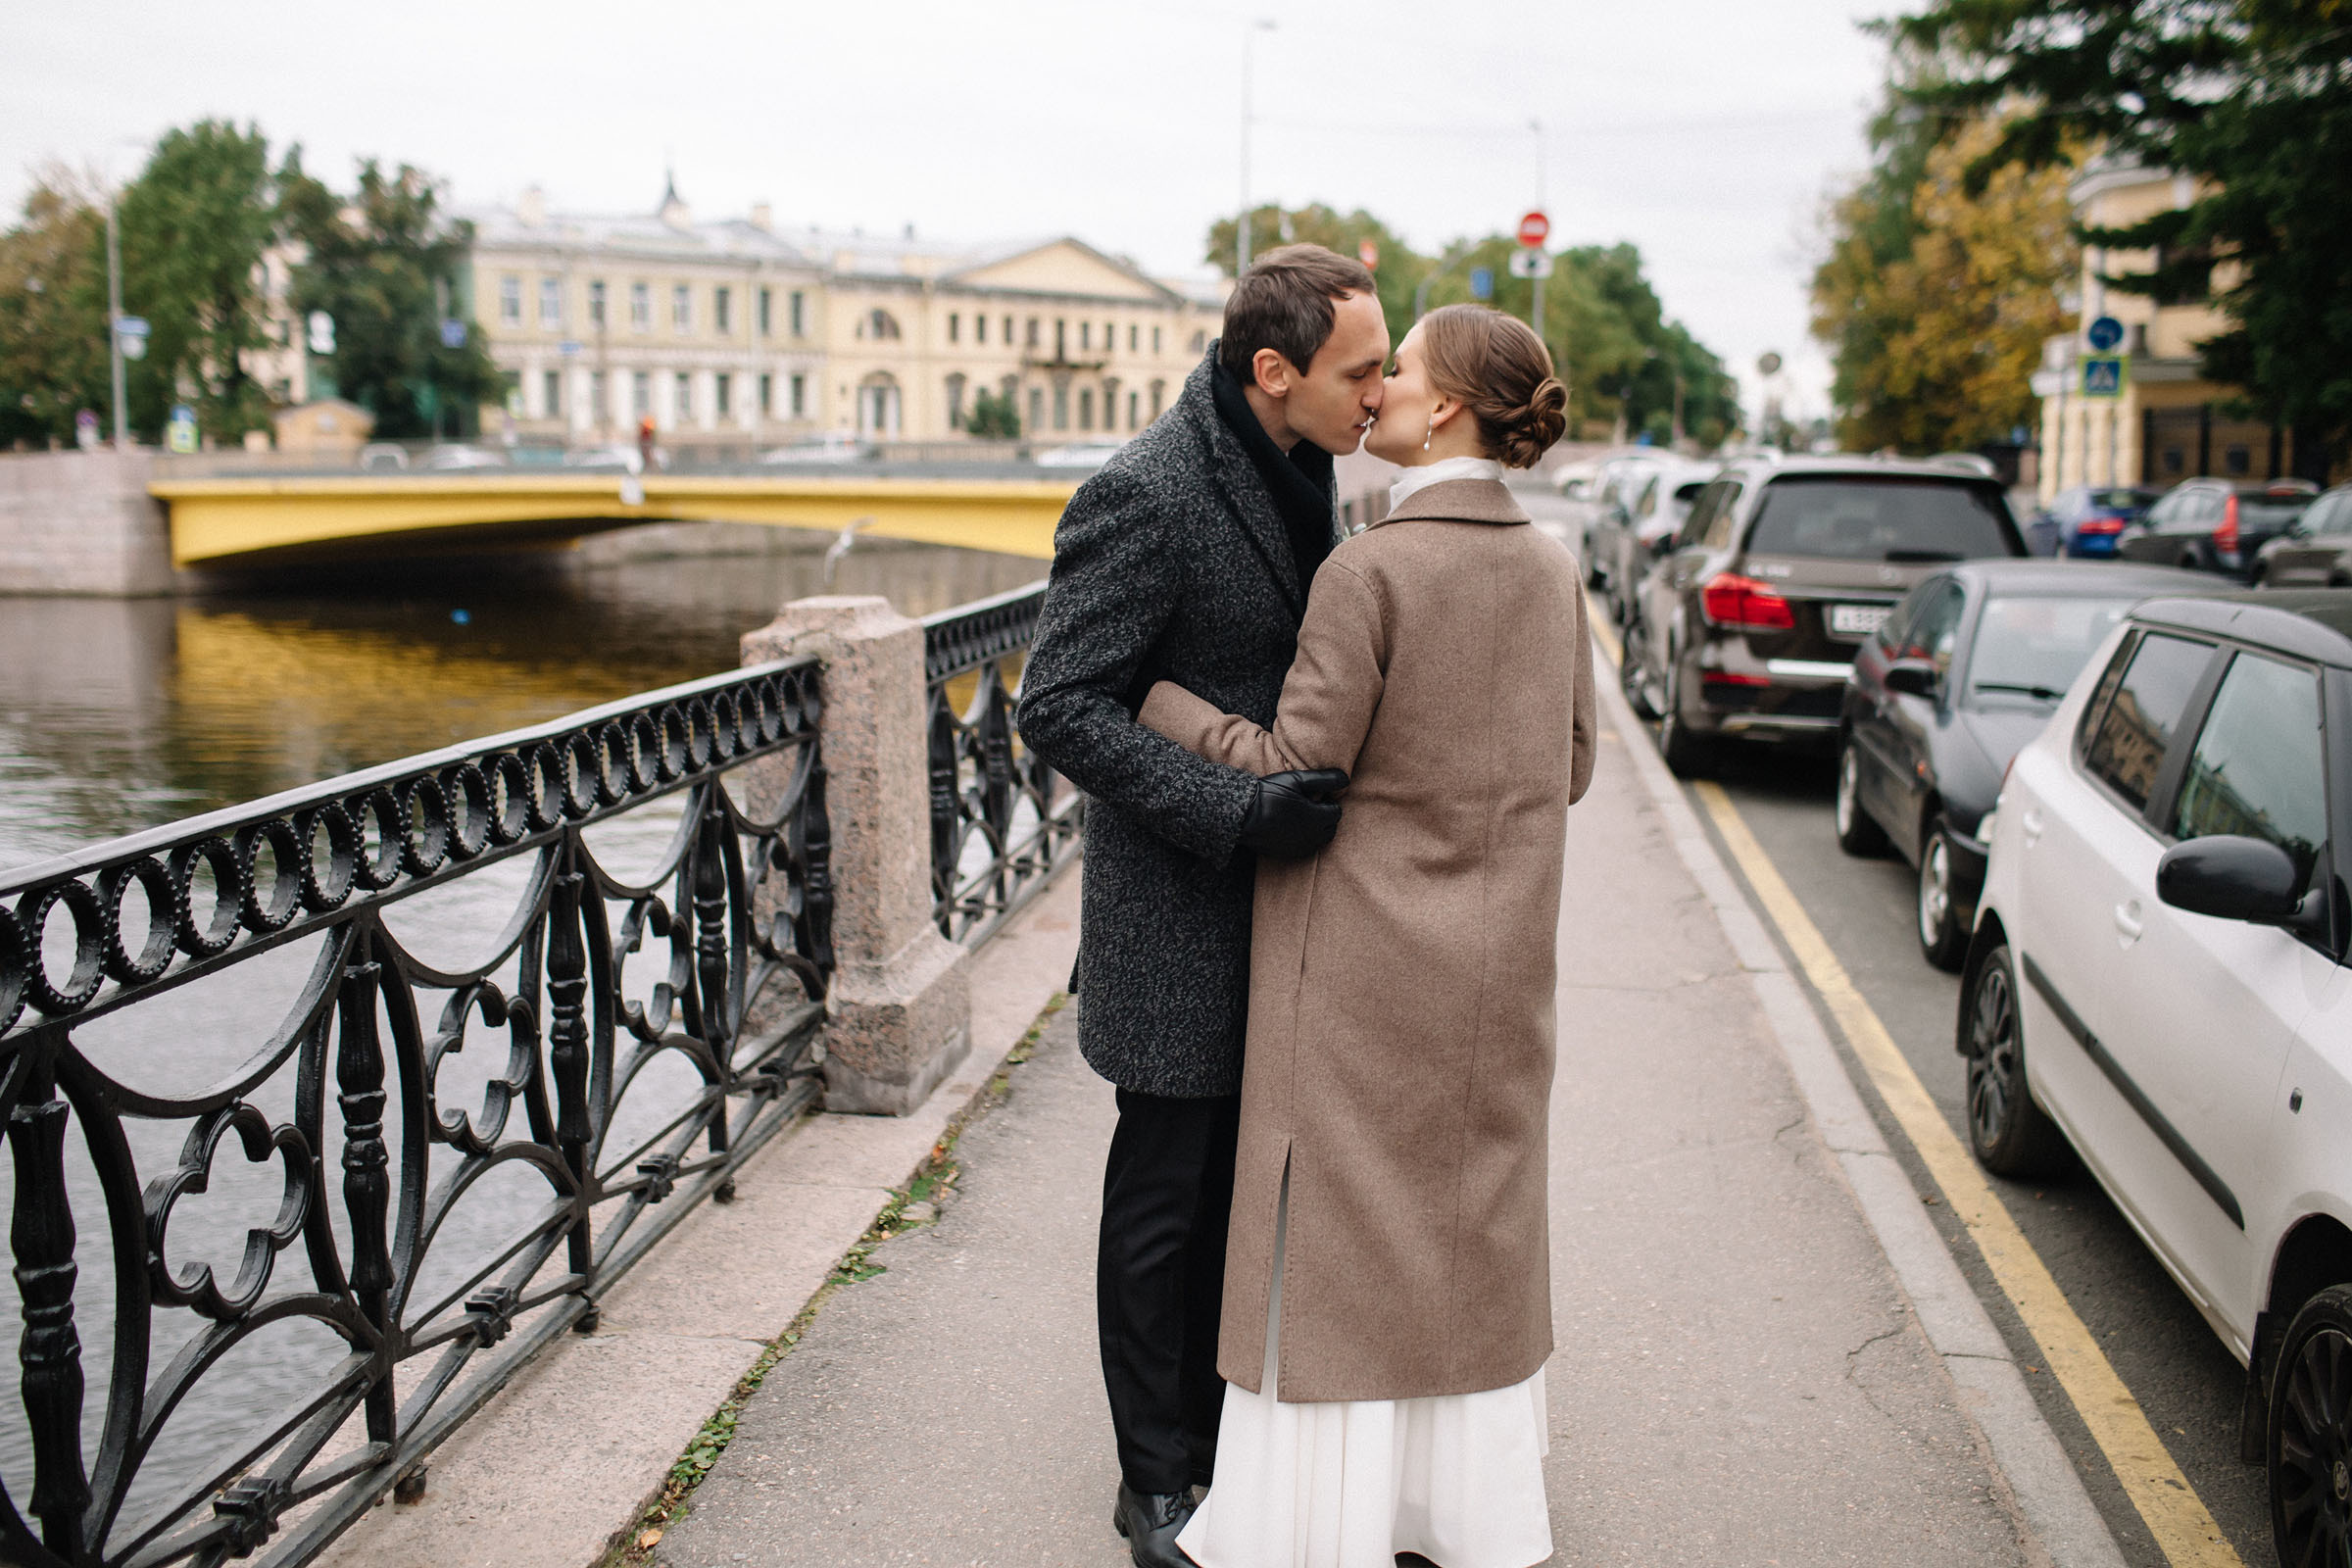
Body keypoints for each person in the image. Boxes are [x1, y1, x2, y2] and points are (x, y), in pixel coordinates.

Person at [1143, 304, 1596, 1568]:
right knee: (1470, 1220)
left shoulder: (1373, 568)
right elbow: (1569, 765)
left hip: (1357, 960)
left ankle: (1317, 1523)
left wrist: (1170, 704)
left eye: (1398, 371)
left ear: (1445, 405)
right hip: (1503, 960)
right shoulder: (1551, 568)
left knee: (1335, 1231)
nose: (1379, 387)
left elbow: (1297, 767)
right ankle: (1459, 1513)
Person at [1015, 245, 1392, 1567]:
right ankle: (1154, 1480)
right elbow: (1056, 705)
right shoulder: (1147, 494)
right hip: (1179, 917)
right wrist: (1234, 812)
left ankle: (1221, 1438)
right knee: (1167, 1201)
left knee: (1248, 1195)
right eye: (1363, 369)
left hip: (1284, 916)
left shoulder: (1305, 466)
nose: (1383, 392)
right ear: (1273, 372)